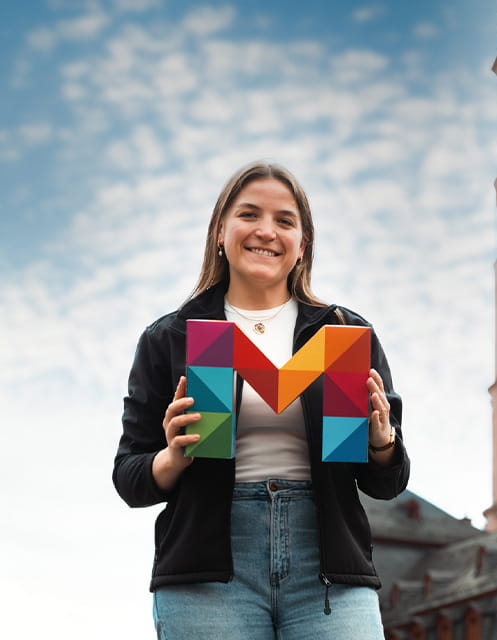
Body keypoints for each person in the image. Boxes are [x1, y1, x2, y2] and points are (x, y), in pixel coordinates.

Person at [113, 161, 409, 639]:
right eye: (249, 214)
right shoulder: (172, 338)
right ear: (220, 232)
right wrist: (170, 457)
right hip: (209, 571)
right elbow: (129, 479)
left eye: (285, 221)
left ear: (302, 244)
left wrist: (382, 442)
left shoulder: (343, 334)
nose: (266, 231)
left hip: (329, 568)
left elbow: (388, 482)